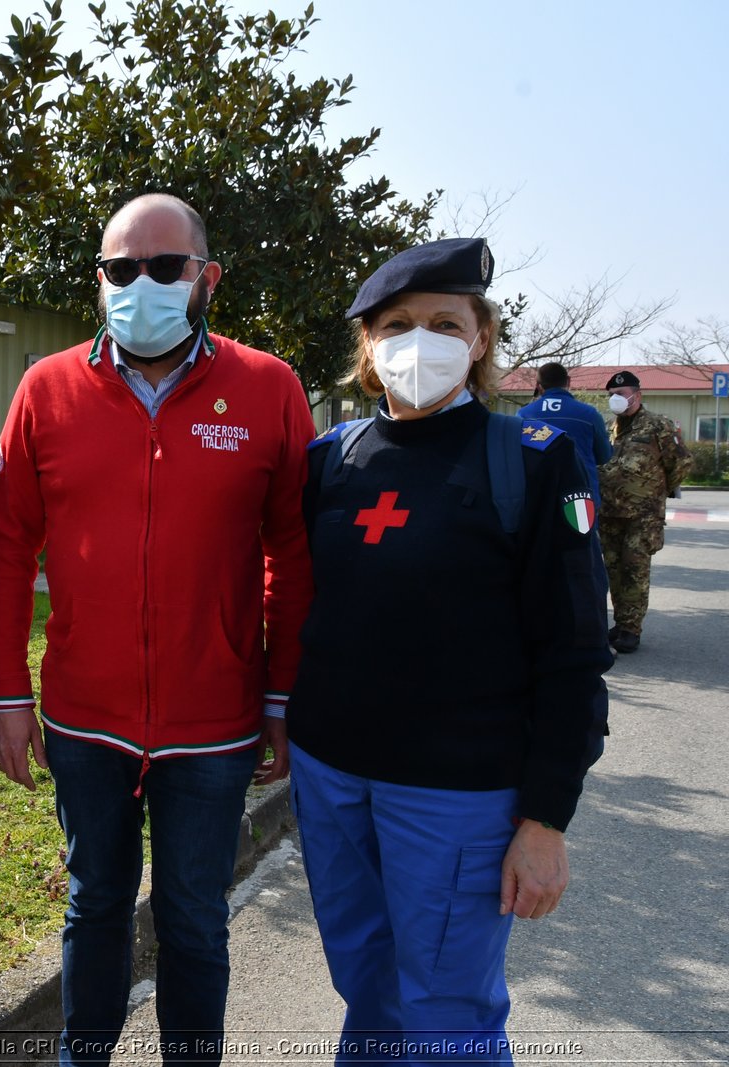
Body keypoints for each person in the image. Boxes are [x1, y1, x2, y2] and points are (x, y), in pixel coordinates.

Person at [0, 193, 315, 1065]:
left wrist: (282, 692)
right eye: (120, 269)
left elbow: (293, 550)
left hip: (216, 721)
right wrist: (7, 693)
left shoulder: (268, 387)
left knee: (195, 918)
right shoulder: (46, 388)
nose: (142, 283)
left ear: (206, 277)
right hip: (86, 718)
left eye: (164, 266)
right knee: (94, 907)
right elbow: (8, 547)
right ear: (100, 281)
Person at [288, 237, 612, 1065]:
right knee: (366, 988)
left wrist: (545, 817)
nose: (418, 341)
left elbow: (574, 652)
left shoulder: (534, 463)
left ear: (479, 338)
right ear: (368, 346)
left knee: (447, 1015)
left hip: (457, 794)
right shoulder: (334, 460)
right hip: (333, 776)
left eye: (443, 322)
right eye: (396, 324)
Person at [599, 370, 692, 653]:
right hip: (610, 512)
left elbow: (682, 463)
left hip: (643, 515)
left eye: (622, 394)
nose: (616, 399)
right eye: (612, 395)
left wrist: (657, 491)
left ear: (637, 396)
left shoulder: (657, 425)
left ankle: (631, 629)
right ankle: (620, 622)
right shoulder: (608, 428)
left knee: (634, 569)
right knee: (613, 569)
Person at [520, 362, 613, 510]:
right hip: (580, 497)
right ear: (568, 381)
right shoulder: (589, 414)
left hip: (538, 497)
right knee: (582, 532)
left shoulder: (524, 415)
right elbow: (604, 456)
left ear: (538, 386)